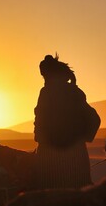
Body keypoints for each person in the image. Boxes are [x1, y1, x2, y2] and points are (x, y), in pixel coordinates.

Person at [34, 54, 101, 189]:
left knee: (54, 197)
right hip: (76, 156)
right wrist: (80, 139)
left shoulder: (47, 92)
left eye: (44, 75)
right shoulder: (74, 92)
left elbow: (40, 119)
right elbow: (94, 119)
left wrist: (42, 140)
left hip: (51, 156)